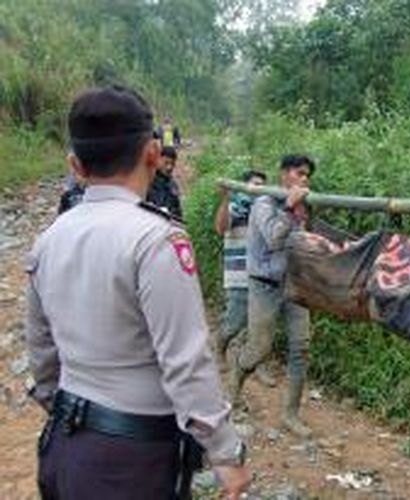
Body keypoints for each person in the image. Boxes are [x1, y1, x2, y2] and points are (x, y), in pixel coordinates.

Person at [25, 86, 252, 499]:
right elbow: (185, 361)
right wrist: (225, 453)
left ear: (75, 165)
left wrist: (64, 412)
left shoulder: (49, 238)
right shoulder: (156, 239)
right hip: (131, 459)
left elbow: (42, 359)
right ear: (151, 153)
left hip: (63, 446)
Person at [229, 154, 314, 438]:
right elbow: (274, 239)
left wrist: (301, 217)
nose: (304, 180)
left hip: (294, 285)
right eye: (300, 174)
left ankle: (290, 414)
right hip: (264, 284)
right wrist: (290, 211)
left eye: (307, 175)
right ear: (284, 174)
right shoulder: (263, 204)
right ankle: (234, 388)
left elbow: (303, 241)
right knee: (259, 348)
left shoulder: (302, 206)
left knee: (300, 348)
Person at [214, 169, 277, 388]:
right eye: (254, 185)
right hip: (238, 274)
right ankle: (220, 345)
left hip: (261, 276)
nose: (258, 190)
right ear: (244, 187)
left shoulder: (268, 212)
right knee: (235, 322)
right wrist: (224, 199)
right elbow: (220, 228)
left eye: (262, 186)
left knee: (260, 326)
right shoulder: (235, 208)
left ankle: (258, 366)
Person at [146, 146, 182, 219]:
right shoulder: (147, 182)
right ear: (157, 160)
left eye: (172, 164)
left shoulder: (172, 185)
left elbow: (177, 211)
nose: (169, 167)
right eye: (166, 163)